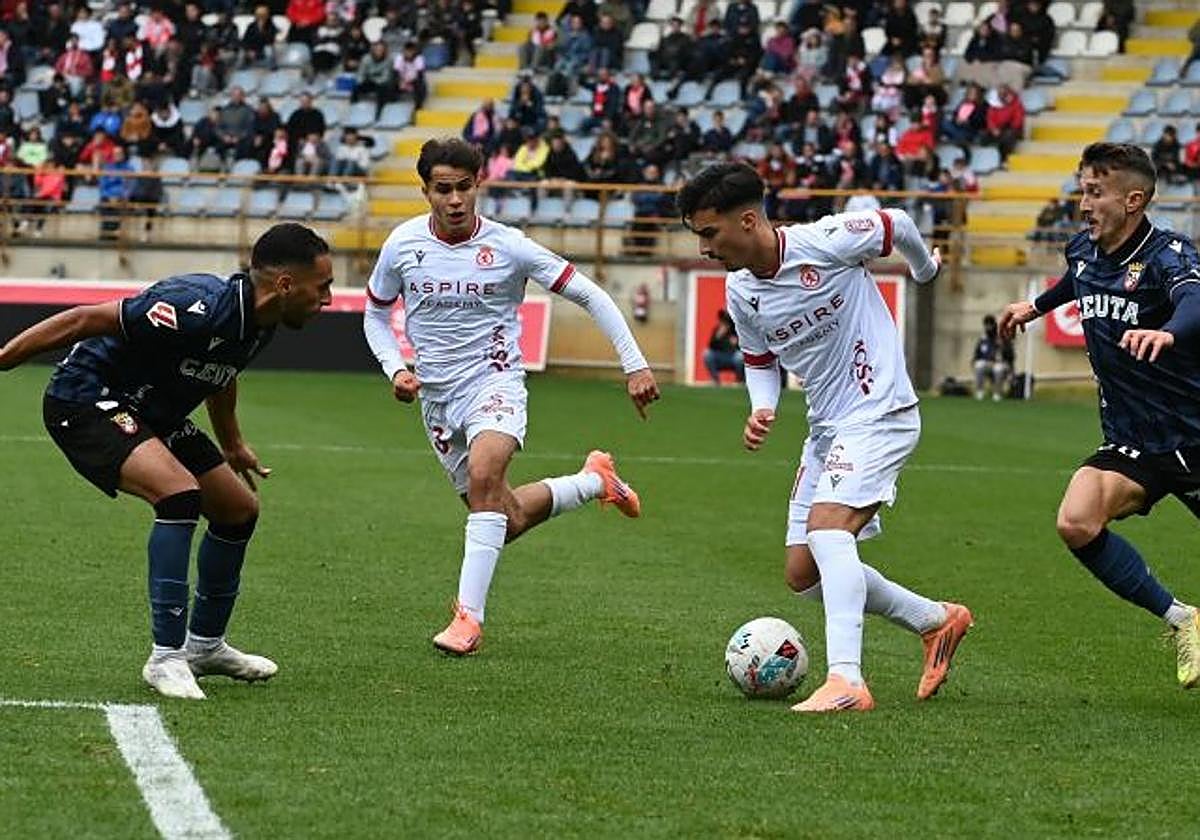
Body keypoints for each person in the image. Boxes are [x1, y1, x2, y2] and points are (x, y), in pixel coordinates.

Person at [677, 162, 972, 713]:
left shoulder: (828, 240)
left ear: (747, 221)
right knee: (802, 571)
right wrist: (762, 407)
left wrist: (924, 271)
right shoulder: (742, 292)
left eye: (709, 234)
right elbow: (759, 360)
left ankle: (846, 681)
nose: (705, 249)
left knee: (828, 529)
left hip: (879, 409)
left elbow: (899, 223)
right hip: (827, 428)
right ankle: (936, 621)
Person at [0, 223, 334, 700]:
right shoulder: (192, 305)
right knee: (178, 493)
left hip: (153, 412)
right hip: (87, 397)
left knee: (238, 510)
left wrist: (233, 443)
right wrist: (4, 358)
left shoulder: (262, 323)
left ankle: (205, 647)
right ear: (284, 284)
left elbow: (220, 375)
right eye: (321, 287)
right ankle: (165, 657)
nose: (326, 298)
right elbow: (83, 320)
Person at [362, 138, 660, 656]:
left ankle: (466, 622)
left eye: (464, 188)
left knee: (483, 478)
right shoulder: (401, 245)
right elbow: (374, 314)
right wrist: (395, 369)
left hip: (494, 384)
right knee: (504, 516)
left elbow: (590, 293)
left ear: (480, 184)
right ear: (426, 190)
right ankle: (594, 481)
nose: (454, 200)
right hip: (435, 398)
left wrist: (634, 364)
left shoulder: (510, 246)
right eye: (442, 189)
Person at [998, 142, 1200, 689]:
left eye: (1095, 192)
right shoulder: (1082, 250)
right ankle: (1184, 621)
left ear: (1133, 200)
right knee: (1077, 520)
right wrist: (1036, 306)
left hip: (1193, 434)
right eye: (1082, 189)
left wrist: (1168, 331)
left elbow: (1194, 301)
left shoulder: (1170, 255)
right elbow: (1077, 280)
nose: (1083, 203)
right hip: (1133, 439)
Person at [971, 314, 1013, 400]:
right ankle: (980, 392)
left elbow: (1010, 356)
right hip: (987, 363)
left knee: (998, 369)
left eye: (990, 325)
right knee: (979, 365)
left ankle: (997, 393)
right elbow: (977, 354)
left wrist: (1003, 347)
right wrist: (975, 361)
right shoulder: (983, 339)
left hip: (1001, 364)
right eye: (986, 325)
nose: (988, 327)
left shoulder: (1002, 336)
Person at [703, 308, 745, 385]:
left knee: (740, 357)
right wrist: (718, 336)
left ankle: (739, 380)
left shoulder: (736, 330)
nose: (725, 322)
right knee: (707, 354)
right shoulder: (718, 329)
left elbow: (745, 348)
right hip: (721, 358)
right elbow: (711, 346)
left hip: (734, 358)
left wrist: (737, 343)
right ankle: (715, 380)